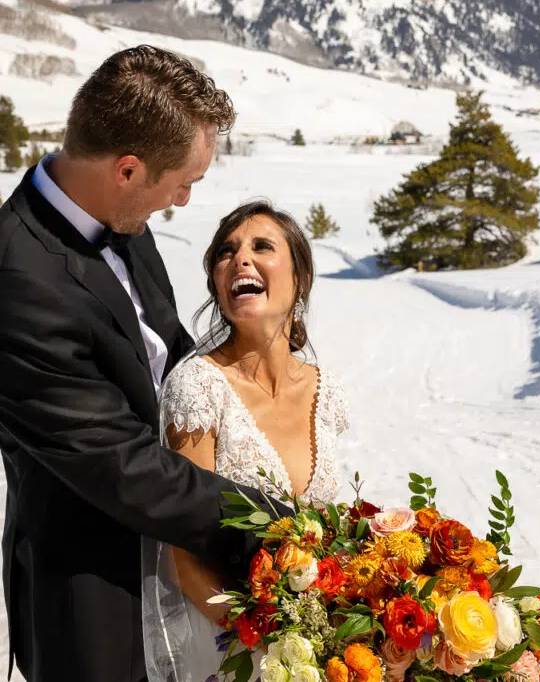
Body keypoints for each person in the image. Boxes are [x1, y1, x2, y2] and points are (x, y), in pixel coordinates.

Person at [0, 46, 288, 682]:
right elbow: (122, 466)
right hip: (97, 598)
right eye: (183, 182)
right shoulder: (19, 282)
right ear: (128, 170)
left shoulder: (123, 214)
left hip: (186, 557)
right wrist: (269, 521)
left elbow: (169, 352)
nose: (184, 200)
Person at [143, 201, 348, 681]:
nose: (239, 260)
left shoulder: (326, 389)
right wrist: (270, 644)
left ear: (299, 279)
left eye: (262, 247)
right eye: (225, 252)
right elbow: (185, 558)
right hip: (232, 646)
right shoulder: (196, 386)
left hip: (317, 645)